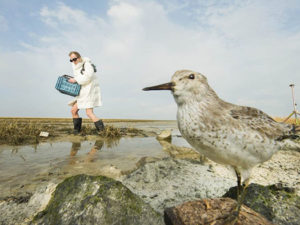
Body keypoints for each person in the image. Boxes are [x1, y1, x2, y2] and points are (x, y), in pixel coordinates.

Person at [67, 51, 104, 134]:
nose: (73, 61)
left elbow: (88, 76)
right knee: (74, 110)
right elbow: (81, 77)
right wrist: (74, 80)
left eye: (74, 59)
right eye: (71, 60)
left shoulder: (87, 64)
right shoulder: (76, 67)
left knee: (89, 113)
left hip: (89, 91)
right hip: (82, 92)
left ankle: (102, 131)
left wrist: (76, 80)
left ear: (79, 58)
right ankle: (77, 131)